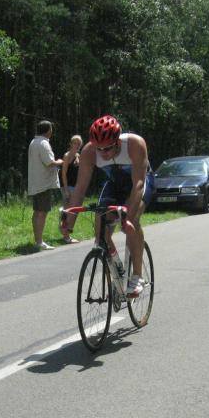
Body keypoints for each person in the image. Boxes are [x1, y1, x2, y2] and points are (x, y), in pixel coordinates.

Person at [61, 115, 155, 298]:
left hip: (140, 182)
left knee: (131, 221)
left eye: (108, 148)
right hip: (115, 184)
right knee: (100, 234)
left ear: (118, 141)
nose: (103, 153)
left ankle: (137, 276)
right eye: (99, 148)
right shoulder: (89, 152)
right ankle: (116, 280)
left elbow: (138, 184)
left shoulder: (134, 144)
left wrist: (127, 219)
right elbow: (79, 189)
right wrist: (69, 223)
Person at [27, 120, 63, 251]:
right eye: (51, 129)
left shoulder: (34, 142)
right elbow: (49, 162)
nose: (52, 131)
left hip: (37, 183)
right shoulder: (43, 143)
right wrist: (60, 161)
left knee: (37, 212)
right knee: (42, 213)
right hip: (43, 184)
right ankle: (39, 242)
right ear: (48, 130)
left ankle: (37, 240)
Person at [59, 134, 82, 244]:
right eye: (75, 143)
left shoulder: (78, 156)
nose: (76, 145)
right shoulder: (67, 155)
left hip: (75, 187)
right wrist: (66, 189)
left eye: (78, 144)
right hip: (67, 187)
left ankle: (65, 232)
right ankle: (66, 236)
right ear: (71, 144)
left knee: (73, 211)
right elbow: (63, 174)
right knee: (69, 212)